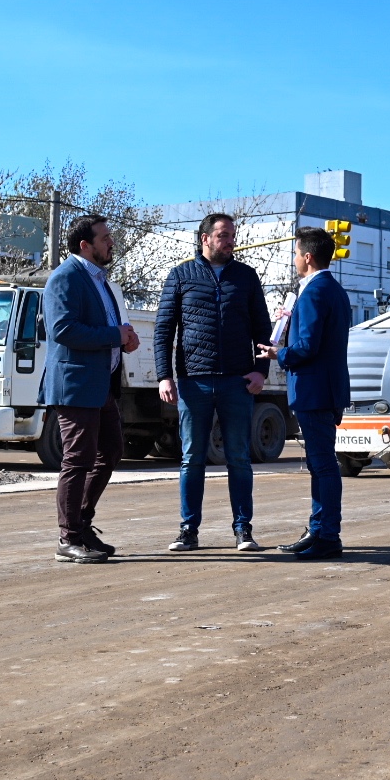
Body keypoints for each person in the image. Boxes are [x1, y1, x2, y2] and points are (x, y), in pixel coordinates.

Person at [154, 213, 274, 553]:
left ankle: (243, 530)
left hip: (237, 382)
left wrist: (260, 372)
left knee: (238, 457)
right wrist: (165, 376)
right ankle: (188, 530)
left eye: (232, 235)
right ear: (205, 238)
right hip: (194, 383)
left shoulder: (246, 277)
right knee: (192, 458)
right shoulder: (180, 276)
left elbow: (262, 330)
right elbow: (164, 331)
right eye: (223, 235)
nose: (230, 241)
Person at [42, 214, 140, 564]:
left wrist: (125, 335)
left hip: (101, 386)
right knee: (78, 459)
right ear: (85, 244)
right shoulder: (65, 278)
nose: (111, 242)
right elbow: (63, 330)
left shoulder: (99, 280)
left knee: (111, 451)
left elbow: (107, 324)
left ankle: (81, 525)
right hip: (76, 386)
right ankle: (68, 538)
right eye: (105, 238)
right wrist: (115, 336)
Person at [255, 226, 351, 560]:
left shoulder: (313, 292)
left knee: (323, 465)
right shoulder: (334, 289)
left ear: (307, 257)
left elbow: (307, 346)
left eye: (296, 253)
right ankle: (318, 529)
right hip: (327, 389)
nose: (294, 259)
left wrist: (277, 354)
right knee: (319, 463)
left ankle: (327, 535)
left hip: (314, 391)